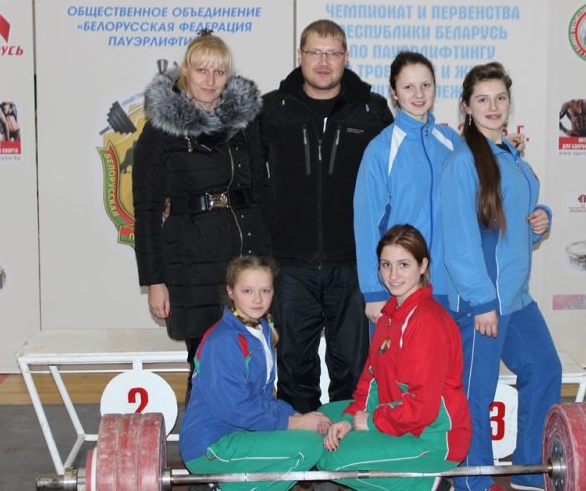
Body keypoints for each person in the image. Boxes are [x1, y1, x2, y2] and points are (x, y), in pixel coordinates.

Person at [252, 19, 393, 413]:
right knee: (295, 369)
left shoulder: (372, 110)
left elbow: (402, 174)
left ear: (346, 57)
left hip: (353, 265)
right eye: (315, 52)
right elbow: (248, 179)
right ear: (300, 56)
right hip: (290, 266)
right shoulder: (271, 110)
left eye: (333, 53)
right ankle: (303, 443)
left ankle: (346, 445)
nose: (324, 62)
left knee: (352, 369)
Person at [441, 62, 561, 491]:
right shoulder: (462, 162)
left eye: (500, 98)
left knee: (544, 369)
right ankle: (472, 483)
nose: (493, 107)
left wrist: (542, 219)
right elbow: (460, 241)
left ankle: (528, 470)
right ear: (467, 107)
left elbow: (513, 222)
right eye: (482, 99)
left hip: (515, 296)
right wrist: (481, 302)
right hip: (483, 300)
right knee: (477, 393)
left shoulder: (509, 153)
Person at [133, 30, 271, 401]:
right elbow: (147, 210)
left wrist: (268, 261)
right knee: (205, 360)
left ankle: (249, 434)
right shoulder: (160, 131)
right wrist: (155, 281)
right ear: (185, 71)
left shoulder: (246, 124)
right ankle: (202, 436)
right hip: (190, 262)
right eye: (202, 70)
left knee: (250, 359)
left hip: (244, 256)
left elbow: (261, 193)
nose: (210, 80)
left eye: (219, 72)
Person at [354, 51, 526, 321]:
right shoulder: (380, 150)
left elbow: (483, 174)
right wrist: (374, 291)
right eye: (408, 87)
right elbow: (366, 225)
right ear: (394, 93)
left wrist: (503, 148)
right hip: (400, 287)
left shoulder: (449, 141)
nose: (419, 94)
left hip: (448, 287)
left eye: (426, 85)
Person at [318, 224, 470, 491]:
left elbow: (422, 409)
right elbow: (371, 381)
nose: (393, 275)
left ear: (423, 265)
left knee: (333, 460)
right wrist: (350, 418)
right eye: (386, 265)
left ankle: (433, 484)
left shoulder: (427, 322)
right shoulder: (390, 315)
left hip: (433, 438)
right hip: (400, 419)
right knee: (324, 418)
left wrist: (371, 421)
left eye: (403, 265)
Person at [180, 256, 330, 491]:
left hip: (241, 432)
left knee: (315, 430)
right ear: (231, 291)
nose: (258, 299)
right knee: (310, 446)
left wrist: (297, 415)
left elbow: (264, 398)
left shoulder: (262, 330)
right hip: (210, 446)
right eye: (247, 291)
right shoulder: (223, 341)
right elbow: (234, 409)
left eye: (265, 291)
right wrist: (294, 422)